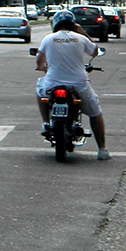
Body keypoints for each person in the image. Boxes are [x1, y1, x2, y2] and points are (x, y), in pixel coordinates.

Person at [34, 9, 110, 160]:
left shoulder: (48, 39)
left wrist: (44, 68)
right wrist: (83, 32)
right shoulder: (80, 38)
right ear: (73, 24)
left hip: (52, 83)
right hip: (79, 84)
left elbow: (39, 62)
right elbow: (95, 52)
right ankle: (102, 150)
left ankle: (45, 123)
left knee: (39, 89)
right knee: (95, 112)